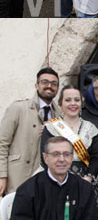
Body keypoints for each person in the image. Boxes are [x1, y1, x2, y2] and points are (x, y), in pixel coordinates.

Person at [7, 135, 98, 220]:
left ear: (72, 157)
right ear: (45, 158)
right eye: (55, 154)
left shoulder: (83, 188)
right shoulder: (28, 190)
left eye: (66, 154)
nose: (61, 159)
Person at [41, 84, 98, 220]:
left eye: (77, 100)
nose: (73, 103)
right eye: (68, 100)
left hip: (86, 176)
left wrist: (89, 178)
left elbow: (97, 157)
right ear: (60, 104)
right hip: (56, 177)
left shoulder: (91, 128)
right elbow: (44, 158)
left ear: (81, 103)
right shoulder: (51, 128)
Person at [0, 67, 59, 195]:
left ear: (57, 89)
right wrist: (2, 176)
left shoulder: (59, 115)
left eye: (54, 84)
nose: (49, 86)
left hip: (45, 181)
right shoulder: (18, 108)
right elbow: (2, 143)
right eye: (45, 82)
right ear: (37, 85)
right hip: (18, 178)